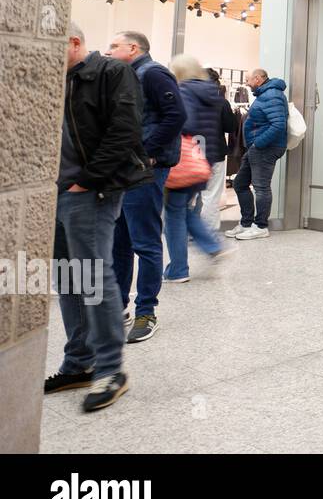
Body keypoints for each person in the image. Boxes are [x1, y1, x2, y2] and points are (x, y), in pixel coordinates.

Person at [45, 23, 151, 410]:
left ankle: (110, 369)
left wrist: (86, 181)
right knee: (69, 279)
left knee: (92, 276)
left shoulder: (110, 72)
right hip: (56, 194)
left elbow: (124, 132)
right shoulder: (56, 79)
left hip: (91, 193)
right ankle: (79, 363)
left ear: (74, 43)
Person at [108, 31, 186, 344]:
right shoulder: (130, 75)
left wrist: (147, 152)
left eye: (115, 45)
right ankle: (118, 306)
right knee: (120, 241)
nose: (109, 49)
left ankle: (146, 311)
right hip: (125, 169)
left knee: (145, 241)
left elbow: (176, 115)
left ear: (133, 47)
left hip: (145, 171)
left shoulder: (153, 73)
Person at [162, 56, 233, 282]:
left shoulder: (183, 91)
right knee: (185, 210)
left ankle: (178, 269)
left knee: (174, 213)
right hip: (204, 159)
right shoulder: (213, 94)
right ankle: (214, 246)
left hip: (184, 161)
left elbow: (186, 123)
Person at [231, 68, 288, 239]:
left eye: (248, 80)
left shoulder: (272, 95)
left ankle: (261, 226)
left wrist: (258, 144)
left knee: (261, 187)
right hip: (258, 148)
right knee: (240, 183)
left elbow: (278, 125)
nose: (246, 84)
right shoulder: (266, 94)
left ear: (257, 79)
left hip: (265, 148)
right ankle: (246, 223)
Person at [203, 67, 237, 235]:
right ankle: (208, 232)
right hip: (215, 152)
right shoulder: (221, 102)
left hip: (192, 153)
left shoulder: (186, 99)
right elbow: (230, 126)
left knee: (190, 197)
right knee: (212, 195)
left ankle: (189, 231)